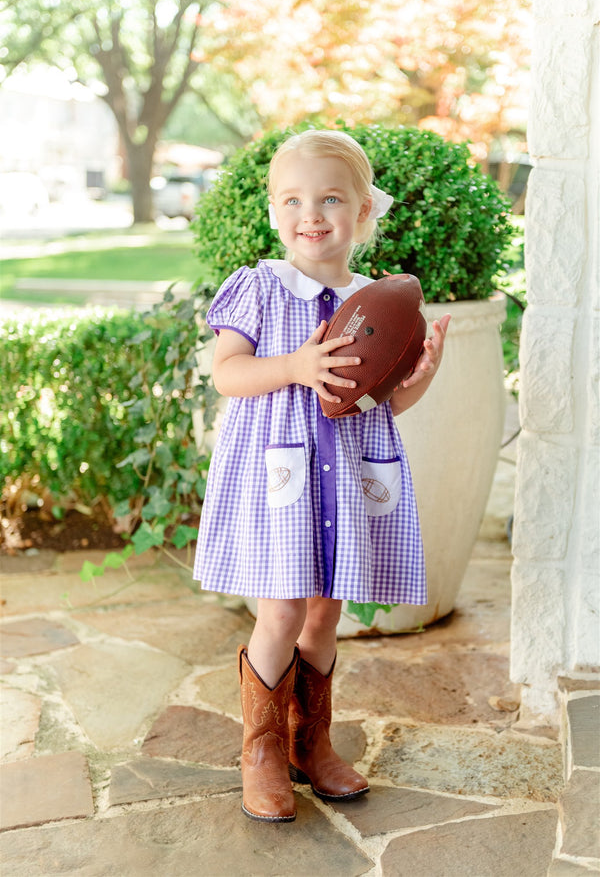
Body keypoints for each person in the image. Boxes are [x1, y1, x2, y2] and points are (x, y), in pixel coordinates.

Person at [193, 128, 450, 823]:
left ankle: (313, 741)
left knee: (327, 610)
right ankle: (262, 750)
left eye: (331, 198)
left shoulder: (376, 302)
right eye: (294, 199)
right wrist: (293, 368)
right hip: (284, 480)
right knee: (280, 609)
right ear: (275, 211)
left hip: (346, 476)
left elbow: (380, 401)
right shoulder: (259, 289)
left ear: (363, 213)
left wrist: (417, 379)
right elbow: (228, 373)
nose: (312, 213)